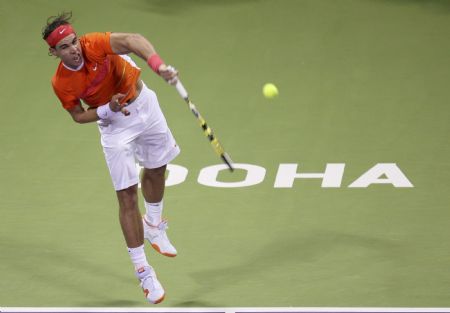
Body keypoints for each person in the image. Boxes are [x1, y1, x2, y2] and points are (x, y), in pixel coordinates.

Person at [42, 12, 180, 304]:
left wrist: (158, 66)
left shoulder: (93, 43)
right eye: (64, 47)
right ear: (53, 52)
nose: (74, 49)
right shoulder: (61, 83)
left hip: (144, 104)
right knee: (127, 196)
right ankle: (144, 272)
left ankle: (154, 225)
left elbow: (132, 40)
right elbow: (78, 115)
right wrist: (108, 110)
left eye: (73, 41)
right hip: (114, 125)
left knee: (157, 169)